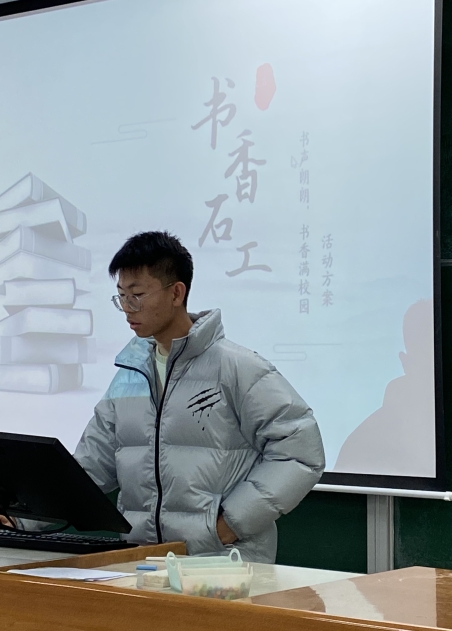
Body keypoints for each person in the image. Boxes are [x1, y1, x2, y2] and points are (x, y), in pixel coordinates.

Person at [74, 231, 324, 562]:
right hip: (144, 564)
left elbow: (300, 452)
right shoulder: (130, 377)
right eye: (121, 296)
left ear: (176, 293)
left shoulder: (238, 368)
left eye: (137, 295)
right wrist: (22, 518)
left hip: (223, 566)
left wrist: (229, 525)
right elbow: (91, 466)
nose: (127, 309)